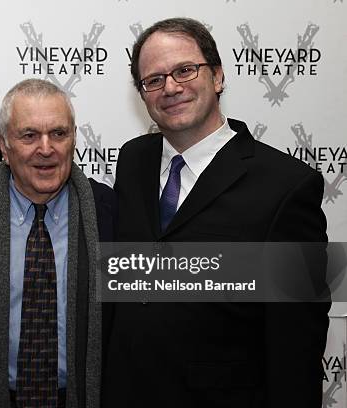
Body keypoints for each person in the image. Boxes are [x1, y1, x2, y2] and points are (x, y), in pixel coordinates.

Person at [103, 18, 329, 407]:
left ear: (218, 76)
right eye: (153, 80)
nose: (170, 87)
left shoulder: (287, 186)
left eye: (185, 70)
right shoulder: (132, 161)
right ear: (142, 95)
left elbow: (296, 345)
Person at [0, 79, 116, 408]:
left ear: (74, 137)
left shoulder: (111, 214)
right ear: (3, 143)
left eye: (59, 133)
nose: (46, 149)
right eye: (29, 135)